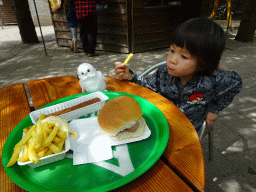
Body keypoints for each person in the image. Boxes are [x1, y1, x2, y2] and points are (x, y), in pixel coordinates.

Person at [114, 17, 242, 134]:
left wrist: (214, 109)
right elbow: (147, 86)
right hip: (162, 119)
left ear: (202, 64)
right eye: (172, 50)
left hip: (188, 128)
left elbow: (236, 83)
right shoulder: (164, 71)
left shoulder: (214, 80)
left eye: (184, 56)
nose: (172, 60)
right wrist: (130, 77)